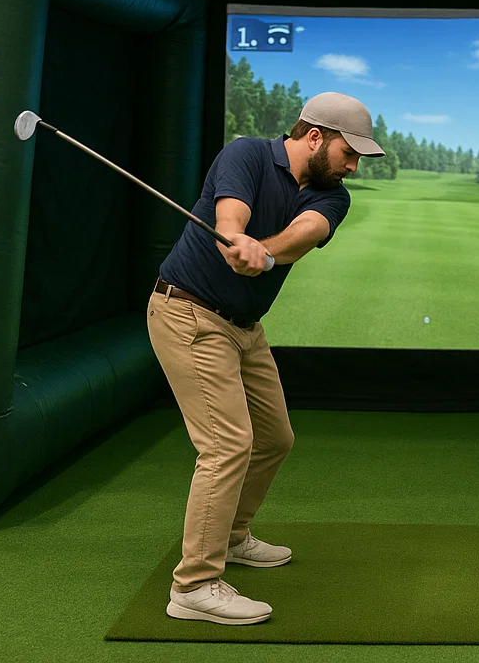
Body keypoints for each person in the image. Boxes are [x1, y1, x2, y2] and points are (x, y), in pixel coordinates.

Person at [147, 92, 384, 625]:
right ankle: (194, 584)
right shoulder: (247, 153)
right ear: (316, 136)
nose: (353, 165)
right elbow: (231, 214)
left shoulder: (333, 195)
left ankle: (230, 536)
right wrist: (235, 239)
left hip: (243, 329)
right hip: (188, 313)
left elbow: (306, 234)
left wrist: (268, 251)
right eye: (350, 152)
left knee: (275, 438)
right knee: (228, 443)